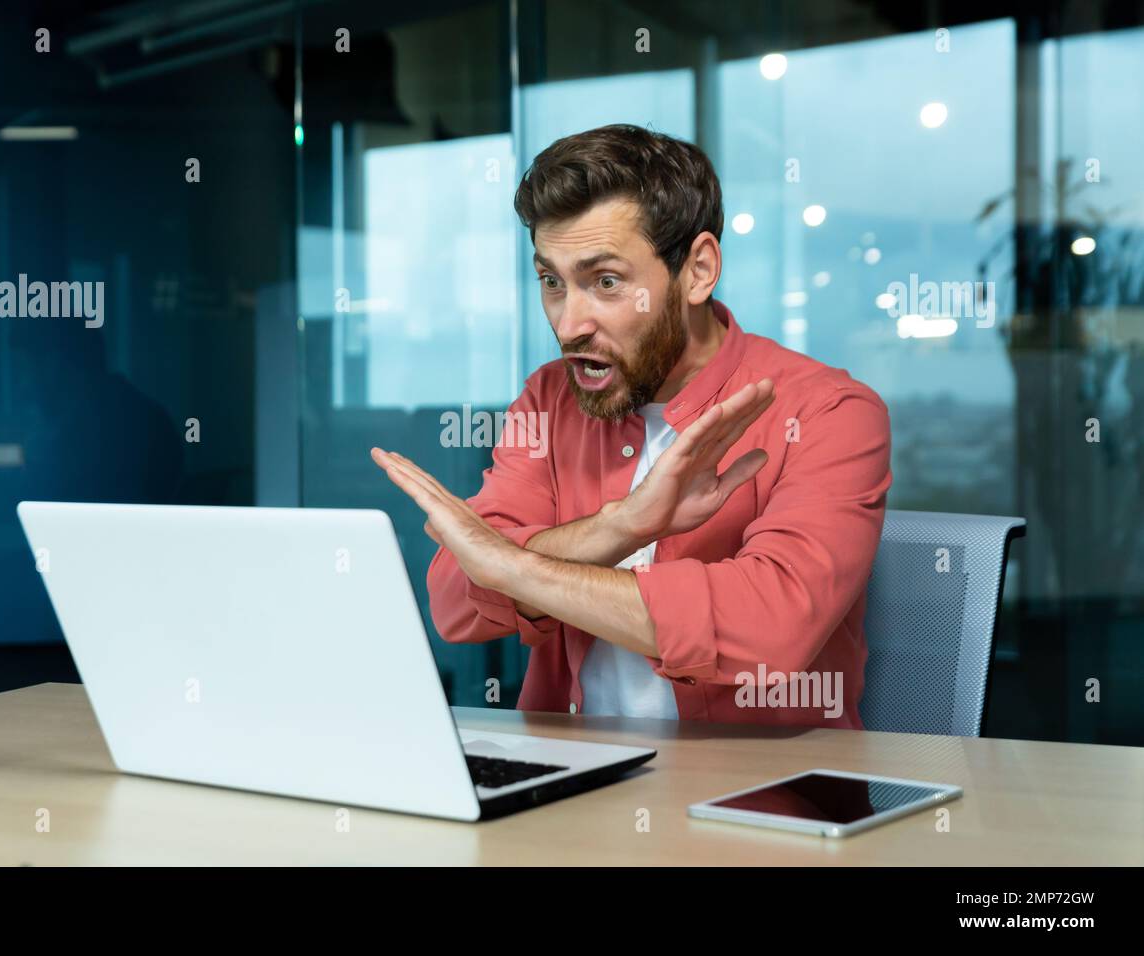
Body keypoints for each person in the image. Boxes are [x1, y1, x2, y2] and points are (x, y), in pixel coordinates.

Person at [372, 124, 891, 728]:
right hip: (568, 789)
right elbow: (456, 604)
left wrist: (512, 566)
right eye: (552, 282)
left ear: (697, 270)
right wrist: (622, 526)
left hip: (755, 802)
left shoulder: (830, 411)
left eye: (606, 282)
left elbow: (770, 633)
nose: (569, 325)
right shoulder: (548, 400)